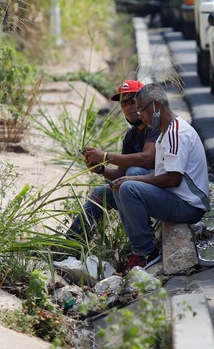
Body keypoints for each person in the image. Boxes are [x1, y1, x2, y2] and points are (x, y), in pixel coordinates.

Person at [113, 82, 209, 271]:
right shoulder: (165, 132)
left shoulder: (175, 133)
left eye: (141, 109)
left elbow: (173, 179)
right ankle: (138, 246)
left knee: (128, 186)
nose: (139, 115)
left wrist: (133, 180)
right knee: (120, 184)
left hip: (189, 205)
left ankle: (146, 253)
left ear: (156, 106)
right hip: (176, 196)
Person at [64, 80, 158, 244]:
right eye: (123, 103)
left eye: (132, 101)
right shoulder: (131, 136)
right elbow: (119, 175)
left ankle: (143, 244)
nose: (128, 107)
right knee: (101, 193)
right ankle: (70, 243)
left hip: (162, 190)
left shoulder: (154, 127)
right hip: (137, 191)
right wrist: (100, 169)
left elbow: (147, 158)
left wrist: (105, 155)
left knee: (133, 172)